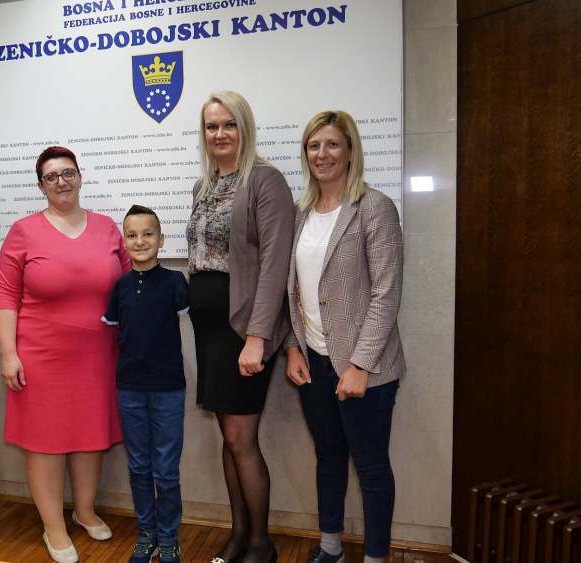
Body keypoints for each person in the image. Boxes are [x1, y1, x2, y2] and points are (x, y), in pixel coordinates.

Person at [0, 146, 129, 563]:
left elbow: (128, 289)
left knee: (91, 436)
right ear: (41, 186)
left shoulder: (107, 228)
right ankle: (53, 526)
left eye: (67, 173)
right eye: (51, 176)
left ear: (80, 177)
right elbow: (5, 296)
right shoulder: (23, 231)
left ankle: (84, 511)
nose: (61, 182)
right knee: (45, 442)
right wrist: (8, 354)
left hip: (98, 356)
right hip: (40, 357)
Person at [284, 111, 406, 563]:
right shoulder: (300, 213)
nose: (322, 154)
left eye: (332, 144)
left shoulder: (375, 207)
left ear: (351, 150)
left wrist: (359, 366)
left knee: (371, 467)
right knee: (329, 456)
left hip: (364, 369)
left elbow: (386, 293)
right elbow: (292, 290)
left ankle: (375, 557)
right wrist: (292, 347)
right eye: (314, 146)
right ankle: (331, 546)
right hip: (313, 361)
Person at [185, 91, 294, 563]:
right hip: (209, 329)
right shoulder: (203, 185)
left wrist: (257, 337)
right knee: (228, 438)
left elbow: (274, 265)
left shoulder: (266, 180)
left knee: (241, 439)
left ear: (245, 128)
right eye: (211, 126)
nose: (220, 134)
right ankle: (238, 536)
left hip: (243, 328)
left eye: (229, 124)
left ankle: (260, 544)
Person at [101, 205, 188, 563]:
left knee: (165, 470)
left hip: (168, 389)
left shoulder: (175, 283)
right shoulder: (119, 287)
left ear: (161, 239)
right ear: (124, 242)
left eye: (148, 234)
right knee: (138, 466)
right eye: (132, 235)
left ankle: (168, 538)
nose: (140, 241)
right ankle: (147, 534)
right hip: (130, 390)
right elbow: (113, 329)